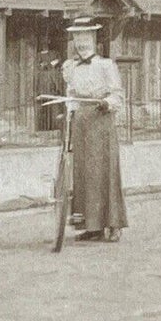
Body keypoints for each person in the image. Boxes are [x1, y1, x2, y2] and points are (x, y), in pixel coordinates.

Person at [61, 14, 128, 242]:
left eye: (86, 36)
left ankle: (113, 224)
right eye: (77, 36)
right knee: (83, 173)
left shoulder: (105, 65)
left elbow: (117, 95)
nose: (81, 42)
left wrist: (106, 103)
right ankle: (91, 226)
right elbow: (70, 94)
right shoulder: (70, 67)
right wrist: (70, 112)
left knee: (104, 171)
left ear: (94, 38)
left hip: (101, 120)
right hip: (81, 122)